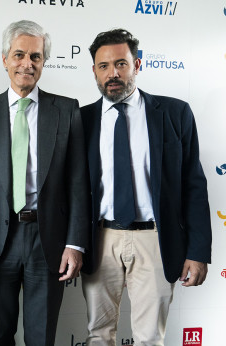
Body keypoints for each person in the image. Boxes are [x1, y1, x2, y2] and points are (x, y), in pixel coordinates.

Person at [80, 28, 212, 345]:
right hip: (100, 239)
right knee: (98, 334)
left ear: (137, 65)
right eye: (104, 66)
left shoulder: (174, 113)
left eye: (121, 64)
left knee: (151, 337)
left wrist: (197, 252)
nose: (113, 73)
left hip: (156, 239)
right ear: (94, 71)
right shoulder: (80, 120)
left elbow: (194, 185)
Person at [0, 20, 90, 346]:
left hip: (48, 241)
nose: (27, 64)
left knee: (42, 337)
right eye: (19, 55)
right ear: (5, 59)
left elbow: (78, 183)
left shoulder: (66, 111)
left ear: (43, 61)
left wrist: (75, 243)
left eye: (35, 57)